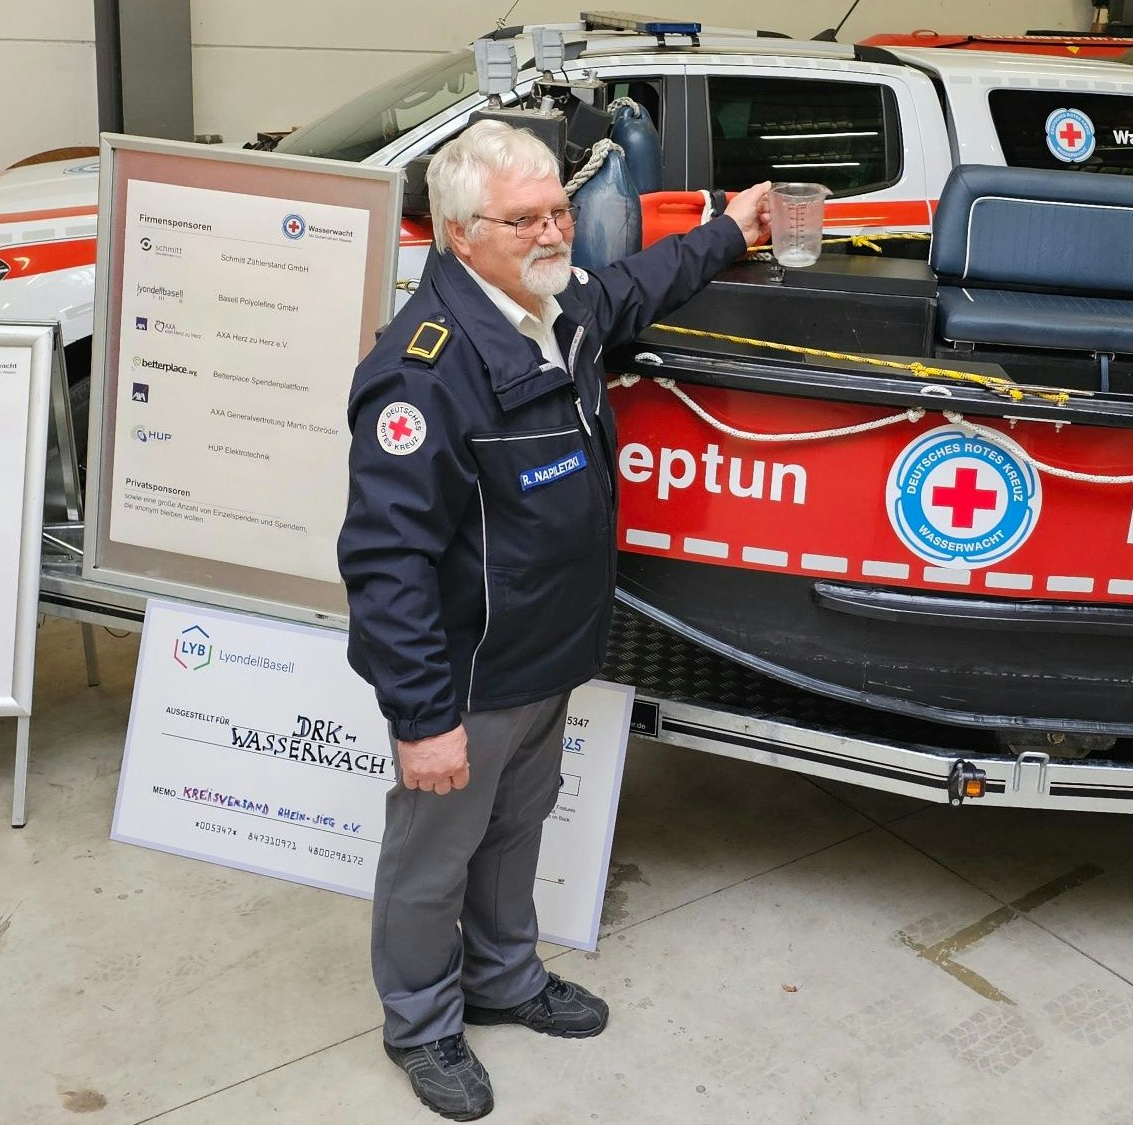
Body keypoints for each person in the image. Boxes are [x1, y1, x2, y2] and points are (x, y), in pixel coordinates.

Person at [338, 120, 770, 1121]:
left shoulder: (554, 305)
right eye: (524, 219)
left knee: (516, 828)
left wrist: (733, 230)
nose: (552, 233)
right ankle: (421, 1023)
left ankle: (501, 978)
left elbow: (636, 286)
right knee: (434, 857)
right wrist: (423, 718)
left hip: (547, 653)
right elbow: (386, 561)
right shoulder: (424, 371)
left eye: (559, 211)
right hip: (469, 679)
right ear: (459, 233)